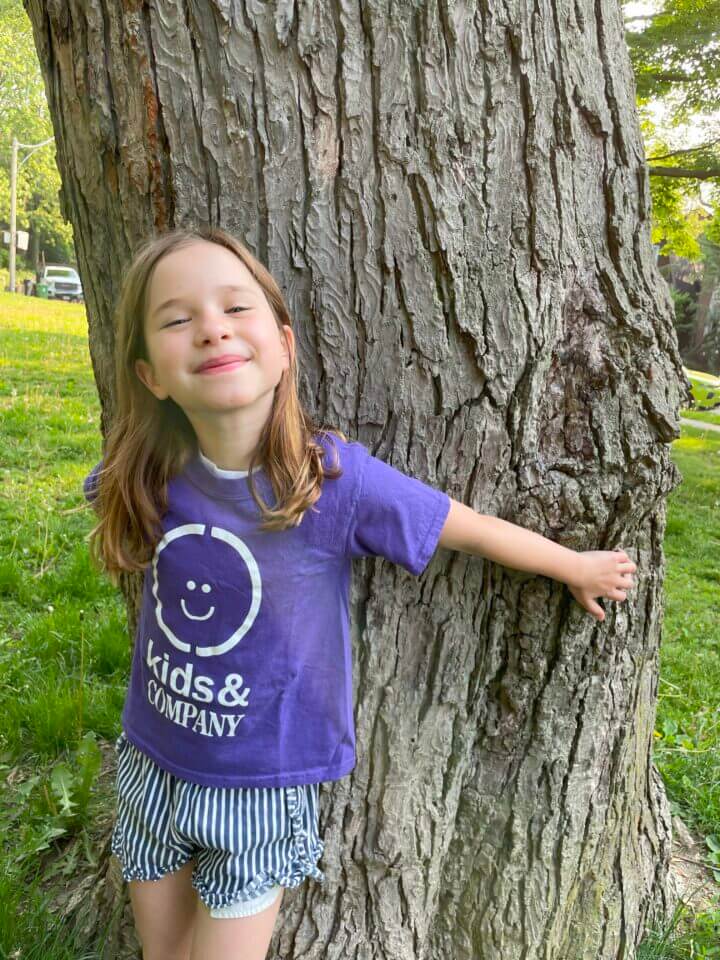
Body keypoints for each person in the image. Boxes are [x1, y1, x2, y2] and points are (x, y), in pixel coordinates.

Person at [82, 225, 637, 960]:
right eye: (177, 319)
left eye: (234, 309)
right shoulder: (149, 474)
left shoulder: (332, 481)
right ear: (151, 374)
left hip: (261, 784)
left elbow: (462, 526)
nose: (211, 327)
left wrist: (572, 564)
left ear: (284, 346)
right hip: (152, 763)